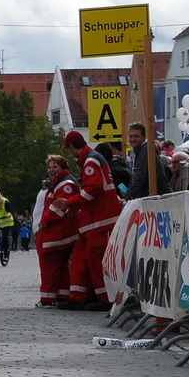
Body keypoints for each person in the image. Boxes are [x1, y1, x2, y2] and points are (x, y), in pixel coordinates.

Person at [63, 129, 120, 311]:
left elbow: (93, 189)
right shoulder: (92, 159)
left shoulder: (90, 161)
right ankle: (80, 296)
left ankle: (103, 298)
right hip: (94, 219)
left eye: (69, 149)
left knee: (94, 258)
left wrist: (71, 202)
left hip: (99, 219)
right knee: (82, 258)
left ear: (72, 147)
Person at [36, 154, 81, 309]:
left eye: (55, 166)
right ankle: (62, 295)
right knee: (61, 266)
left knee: (49, 265)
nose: (51, 170)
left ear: (63, 167)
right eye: (49, 167)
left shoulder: (64, 184)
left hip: (57, 233)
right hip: (62, 233)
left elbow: (58, 207)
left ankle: (47, 299)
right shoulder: (59, 183)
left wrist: (44, 221)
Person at [124, 122, 171, 199]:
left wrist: (129, 197)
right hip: (155, 195)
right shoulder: (138, 150)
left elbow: (140, 176)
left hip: (158, 196)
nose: (133, 139)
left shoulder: (146, 150)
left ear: (144, 137)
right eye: (131, 136)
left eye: (136, 136)